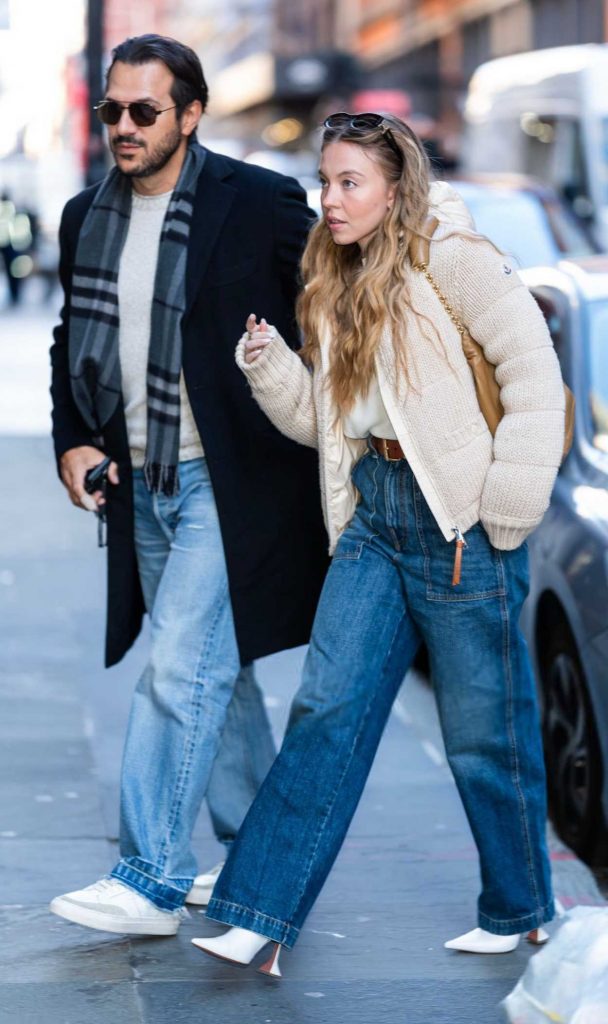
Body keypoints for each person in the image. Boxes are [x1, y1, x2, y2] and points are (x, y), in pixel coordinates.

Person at [190, 112, 566, 977]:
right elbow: (328, 423)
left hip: (459, 522)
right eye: (325, 181)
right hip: (376, 518)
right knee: (326, 712)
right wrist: (271, 365)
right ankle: (259, 914)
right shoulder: (334, 274)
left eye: (349, 182)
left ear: (398, 188)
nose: (330, 199)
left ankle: (520, 907)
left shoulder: (455, 260)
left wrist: (507, 500)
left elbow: (534, 374)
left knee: (485, 735)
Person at [48, 34, 328, 936]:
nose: (123, 128)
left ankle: (152, 875)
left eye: (144, 111)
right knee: (222, 674)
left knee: (177, 669)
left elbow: (339, 300)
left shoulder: (260, 203)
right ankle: (261, 863)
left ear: (192, 113)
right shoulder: (84, 214)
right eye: (112, 111)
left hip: (232, 484)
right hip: (142, 484)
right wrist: (73, 441)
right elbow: (71, 344)